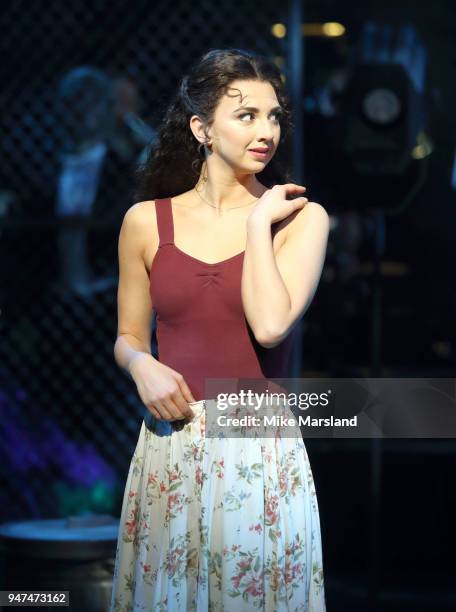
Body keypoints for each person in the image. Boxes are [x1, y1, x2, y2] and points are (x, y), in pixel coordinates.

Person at [110, 48, 329, 611]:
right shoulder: (145, 222)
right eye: (247, 115)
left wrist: (258, 223)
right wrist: (141, 365)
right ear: (201, 128)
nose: (266, 131)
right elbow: (127, 336)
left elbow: (272, 324)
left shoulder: (299, 218)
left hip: (256, 445)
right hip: (172, 442)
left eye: (274, 116)